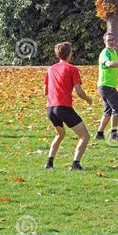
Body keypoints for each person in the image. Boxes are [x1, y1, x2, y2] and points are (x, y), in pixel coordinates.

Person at [44, 42, 93, 171]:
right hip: (63, 108)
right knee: (85, 136)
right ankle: (75, 164)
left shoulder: (50, 69)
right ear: (69, 53)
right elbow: (79, 91)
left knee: (60, 135)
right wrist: (88, 99)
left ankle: (49, 163)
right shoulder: (72, 69)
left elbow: (45, 90)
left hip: (50, 108)